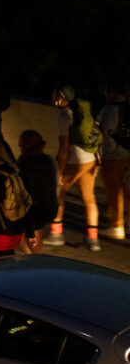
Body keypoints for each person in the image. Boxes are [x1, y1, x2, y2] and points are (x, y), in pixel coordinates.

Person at [46, 84, 101, 251]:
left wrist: (60, 172)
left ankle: (56, 234)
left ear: (60, 97)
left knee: (59, 192)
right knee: (89, 197)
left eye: (54, 94)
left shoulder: (65, 115)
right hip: (91, 158)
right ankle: (93, 240)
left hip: (77, 160)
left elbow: (64, 149)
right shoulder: (81, 111)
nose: (52, 96)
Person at [96, 80, 130, 240]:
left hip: (112, 156)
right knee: (127, 192)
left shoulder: (108, 110)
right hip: (127, 154)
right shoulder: (127, 108)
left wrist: (100, 156)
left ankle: (116, 226)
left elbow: (102, 135)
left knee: (114, 192)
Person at [16, 130, 59, 254]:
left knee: (32, 240)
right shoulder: (49, 161)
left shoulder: (25, 164)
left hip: (34, 209)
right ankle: (30, 259)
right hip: (50, 205)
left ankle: (35, 263)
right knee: (28, 236)